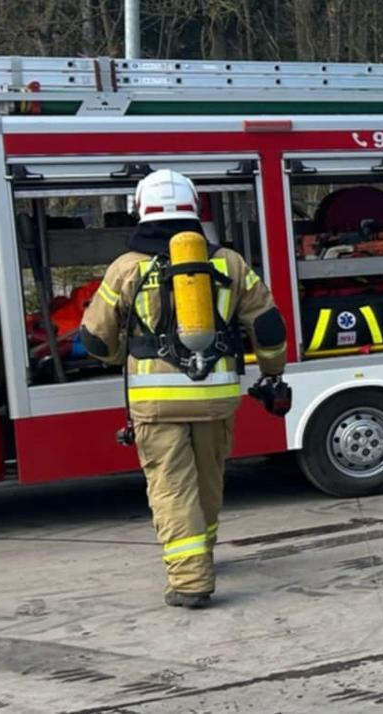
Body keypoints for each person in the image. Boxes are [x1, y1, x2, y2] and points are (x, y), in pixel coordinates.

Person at [79, 169, 289, 609]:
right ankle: (203, 551)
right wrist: (272, 372)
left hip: (156, 402)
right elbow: (268, 325)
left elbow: (96, 338)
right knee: (208, 478)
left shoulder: (125, 268)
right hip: (215, 393)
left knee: (172, 486)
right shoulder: (228, 262)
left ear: (141, 209)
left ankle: (191, 578)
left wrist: (123, 355)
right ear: (195, 208)